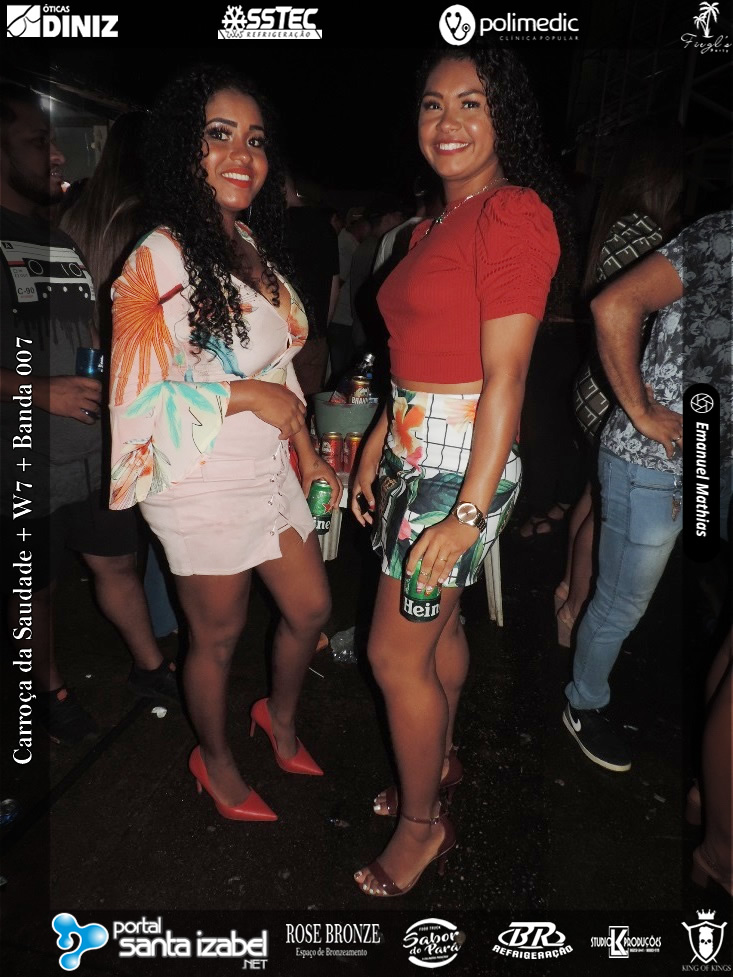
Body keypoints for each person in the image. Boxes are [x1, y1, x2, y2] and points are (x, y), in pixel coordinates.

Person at [350, 47, 563, 896]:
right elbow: (409, 352)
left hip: (459, 465)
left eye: (472, 103)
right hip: (413, 447)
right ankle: (436, 760)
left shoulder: (512, 214)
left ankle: (422, 825)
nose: (448, 122)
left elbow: (505, 377)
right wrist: (377, 436)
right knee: (434, 634)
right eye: (433, 104)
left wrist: (466, 513)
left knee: (391, 653)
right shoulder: (427, 227)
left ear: (504, 117)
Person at [109, 66, 341, 821]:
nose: (243, 154)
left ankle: (277, 715)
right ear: (186, 149)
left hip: (269, 464)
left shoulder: (247, 243)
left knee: (310, 608)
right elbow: (133, 399)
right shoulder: (159, 257)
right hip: (197, 473)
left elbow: (279, 369)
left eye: (256, 140)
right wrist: (243, 397)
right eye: (220, 135)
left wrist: (307, 449)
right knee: (217, 637)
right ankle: (212, 759)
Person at [0, 85, 174, 747]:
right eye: (38, 142)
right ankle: (47, 691)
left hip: (90, 448)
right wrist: (39, 390)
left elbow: (85, 327)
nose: (56, 155)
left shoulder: (59, 239)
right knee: (34, 589)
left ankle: (150, 667)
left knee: (117, 562)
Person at [562, 209, 732, 772]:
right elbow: (612, 304)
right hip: (658, 459)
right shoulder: (723, 234)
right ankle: (583, 703)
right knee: (621, 602)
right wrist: (640, 411)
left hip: (716, 457)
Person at [553, 121, 683, 646]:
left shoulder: (620, 223)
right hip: (614, 387)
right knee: (607, 508)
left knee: (595, 495)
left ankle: (568, 594)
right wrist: (644, 406)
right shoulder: (644, 231)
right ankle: (574, 612)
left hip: (598, 381)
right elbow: (625, 315)